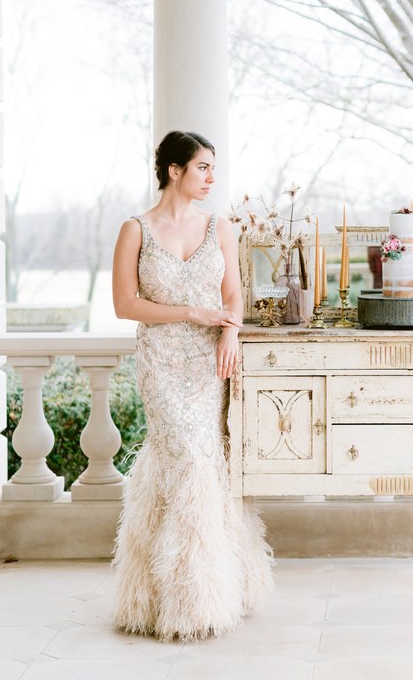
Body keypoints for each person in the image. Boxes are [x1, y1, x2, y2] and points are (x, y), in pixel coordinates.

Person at [110, 130, 273, 641]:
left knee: (204, 460)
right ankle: (185, 599)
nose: (211, 177)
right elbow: (125, 305)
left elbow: (233, 294)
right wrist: (190, 312)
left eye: (213, 168)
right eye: (202, 167)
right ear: (174, 171)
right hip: (161, 362)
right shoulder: (135, 229)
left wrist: (229, 332)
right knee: (184, 457)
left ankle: (211, 592)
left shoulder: (220, 227)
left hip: (209, 364)